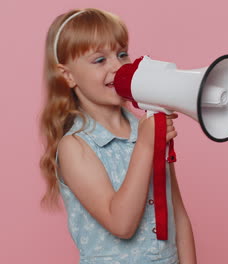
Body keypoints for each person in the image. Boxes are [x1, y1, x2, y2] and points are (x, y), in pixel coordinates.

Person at [39, 8, 197, 264]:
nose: (117, 65)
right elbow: (121, 223)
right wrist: (146, 147)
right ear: (68, 75)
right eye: (99, 60)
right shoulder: (76, 146)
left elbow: (178, 216)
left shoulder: (145, 128)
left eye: (122, 54)